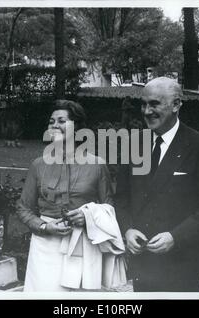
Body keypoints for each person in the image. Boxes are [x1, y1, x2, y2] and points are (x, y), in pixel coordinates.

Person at [115, 77, 199, 292]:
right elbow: (121, 197)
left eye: (154, 104)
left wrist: (175, 237)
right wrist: (127, 229)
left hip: (183, 266)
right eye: (143, 104)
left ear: (176, 105)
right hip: (143, 265)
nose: (147, 111)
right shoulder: (133, 145)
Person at [17, 100, 126, 292]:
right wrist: (43, 226)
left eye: (61, 120)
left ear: (77, 128)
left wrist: (87, 216)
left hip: (83, 244)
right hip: (45, 245)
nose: (54, 126)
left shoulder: (97, 165)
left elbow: (109, 206)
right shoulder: (38, 165)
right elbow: (23, 207)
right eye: (51, 122)